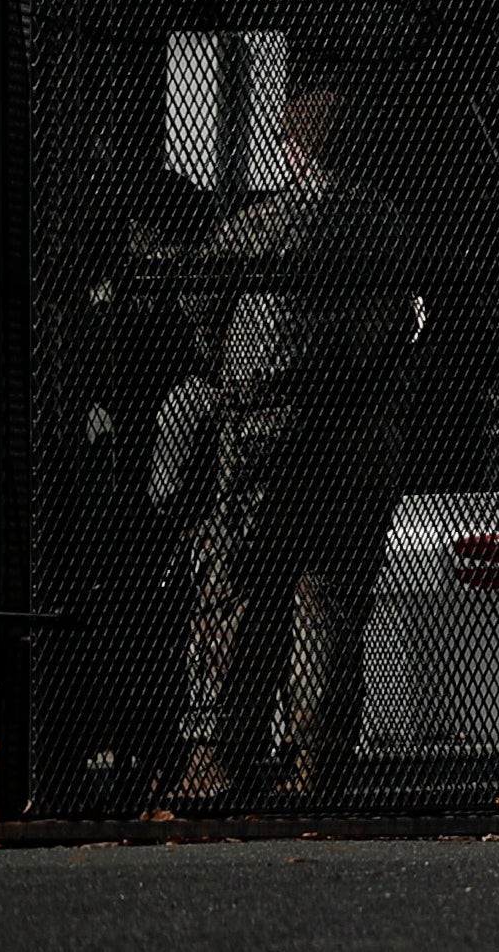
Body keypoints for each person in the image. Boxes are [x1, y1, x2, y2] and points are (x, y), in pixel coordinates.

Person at [163, 87, 419, 807]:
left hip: (268, 425)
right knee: (329, 593)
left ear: (292, 146)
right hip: (361, 428)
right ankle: (319, 759)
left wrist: (225, 363)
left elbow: (199, 297)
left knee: (239, 585)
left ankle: (222, 754)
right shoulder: (387, 223)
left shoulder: (267, 222)